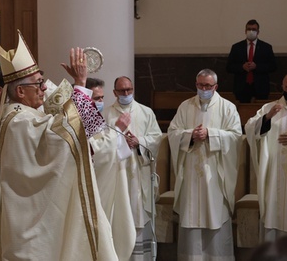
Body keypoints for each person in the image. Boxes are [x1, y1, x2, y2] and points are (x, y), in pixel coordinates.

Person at [0, 31, 120, 260]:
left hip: (31, 220)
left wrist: (74, 89)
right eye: (38, 84)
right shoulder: (18, 121)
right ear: (20, 91)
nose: (43, 88)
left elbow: (78, 127)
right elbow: (64, 135)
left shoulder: (23, 115)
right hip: (30, 227)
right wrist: (80, 84)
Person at [167, 69, 242, 261]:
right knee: (191, 217)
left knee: (215, 215)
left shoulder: (227, 108)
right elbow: (173, 132)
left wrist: (211, 134)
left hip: (215, 175)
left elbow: (235, 137)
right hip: (191, 173)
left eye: (208, 86)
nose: (203, 89)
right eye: (200, 85)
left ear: (216, 86)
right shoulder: (185, 106)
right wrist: (189, 135)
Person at [106, 76, 162, 261]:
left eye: (129, 90)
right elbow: (101, 144)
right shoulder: (107, 114)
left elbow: (156, 138)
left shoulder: (145, 112)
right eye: (122, 91)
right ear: (115, 92)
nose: (126, 94)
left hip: (139, 175)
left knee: (138, 215)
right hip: (117, 176)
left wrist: (140, 142)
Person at [86, 77, 137, 260]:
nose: (100, 102)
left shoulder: (97, 118)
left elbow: (108, 148)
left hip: (107, 181)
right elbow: (97, 153)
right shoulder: (83, 120)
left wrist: (122, 140)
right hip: (96, 185)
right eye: (96, 98)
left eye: (101, 98)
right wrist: (117, 131)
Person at [245, 73, 287, 242]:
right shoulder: (270, 107)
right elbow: (250, 128)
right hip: (274, 175)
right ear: (282, 87)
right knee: (274, 214)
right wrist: (267, 118)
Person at [226, 19, 277, 103]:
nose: (251, 31)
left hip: (261, 87)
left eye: (254, 29)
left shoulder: (266, 47)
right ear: (245, 31)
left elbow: (273, 66)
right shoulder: (236, 47)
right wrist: (242, 67)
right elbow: (229, 67)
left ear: (258, 32)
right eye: (249, 29)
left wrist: (257, 66)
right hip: (241, 87)